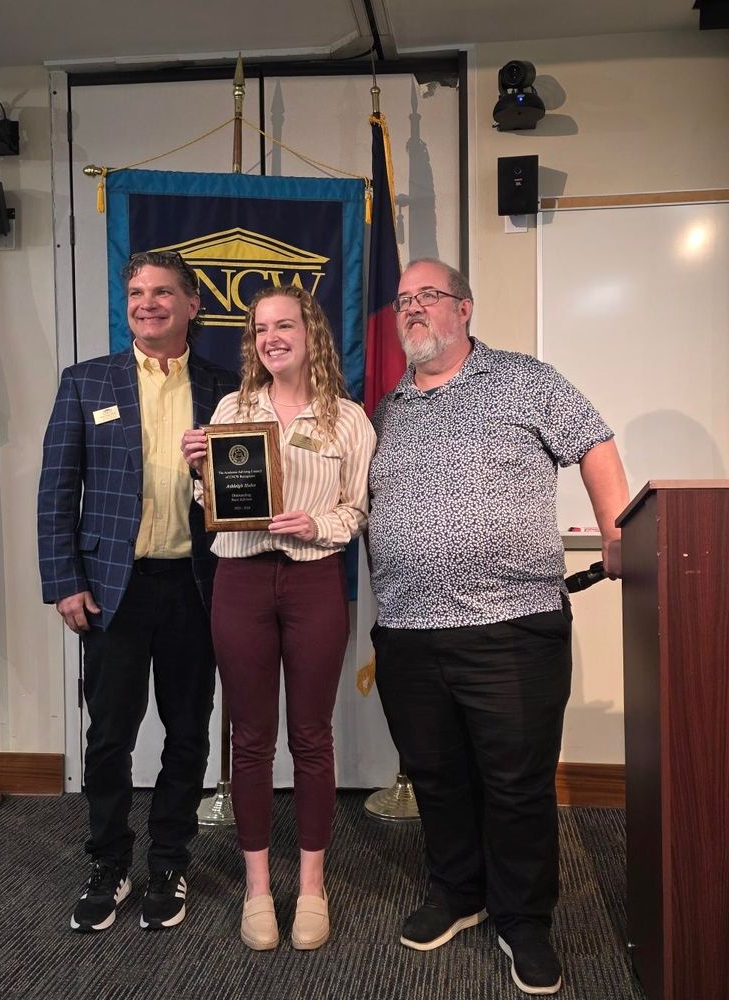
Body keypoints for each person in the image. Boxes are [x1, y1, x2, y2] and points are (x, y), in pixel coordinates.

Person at [365, 259, 629, 996]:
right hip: (408, 629)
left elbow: (594, 441)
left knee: (515, 784)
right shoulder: (385, 409)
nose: (413, 309)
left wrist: (616, 528)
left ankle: (523, 919)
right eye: (403, 301)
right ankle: (458, 892)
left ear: (465, 309)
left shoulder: (524, 379)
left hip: (512, 626)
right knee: (438, 777)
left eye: (429, 297)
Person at [37, 250, 239, 934]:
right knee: (109, 737)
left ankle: (170, 860)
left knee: (188, 733)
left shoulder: (229, 389)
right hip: (111, 589)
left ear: (192, 305)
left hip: (194, 587)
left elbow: (249, 494)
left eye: (162, 292)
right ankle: (108, 862)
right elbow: (57, 491)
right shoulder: (86, 382)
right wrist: (64, 581)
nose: (146, 303)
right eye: (136, 292)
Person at [181, 285, 376, 952]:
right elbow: (213, 498)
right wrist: (199, 471)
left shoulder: (347, 419)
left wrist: (314, 521)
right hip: (239, 579)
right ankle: (260, 888)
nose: (271, 337)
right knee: (251, 739)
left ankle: (314, 887)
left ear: (310, 333)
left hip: (315, 580)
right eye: (260, 328)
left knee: (312, 737)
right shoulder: (232, 408)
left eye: (283, 324)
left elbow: (356, 510)